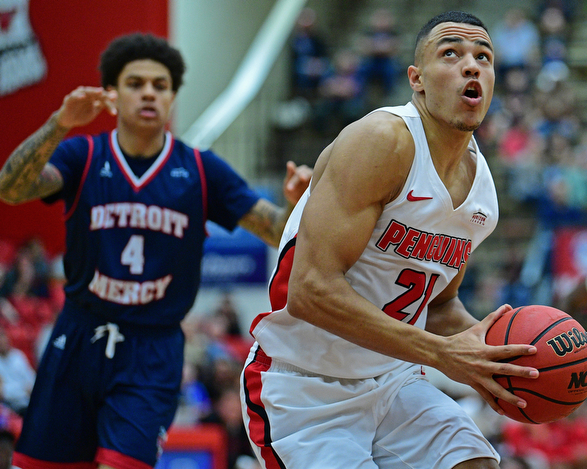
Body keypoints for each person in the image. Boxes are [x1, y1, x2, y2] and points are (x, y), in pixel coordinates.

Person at [241, 11, 541, 469]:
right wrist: (443, 355)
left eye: (484, 56)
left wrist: (495, 358)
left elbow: (439, 307)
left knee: (476, 463)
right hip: (304, 386)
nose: (472, 65)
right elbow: (310, 291)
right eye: (451, 54)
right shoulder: (381, 140)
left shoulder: (483, 197)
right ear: (416, 80)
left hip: (394, 381)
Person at [0, 33, 311, 469]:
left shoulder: (202, 170)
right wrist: (59, 123)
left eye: (161, 85)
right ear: (112, 94)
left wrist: (298, 208)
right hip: (79, 334)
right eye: (135, 82)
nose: (149, 92)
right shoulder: (83, 155)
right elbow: (11, 189)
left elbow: (277, 231)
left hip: (152, 348)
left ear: (171, 96)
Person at [0, 326, 35, 416]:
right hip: (10, 408)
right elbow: (3, 393)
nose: (2, 341)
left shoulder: (18, 355)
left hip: (28, 403)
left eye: (3, 336)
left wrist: (28, 389)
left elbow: (31, 379)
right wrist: (23, 389)